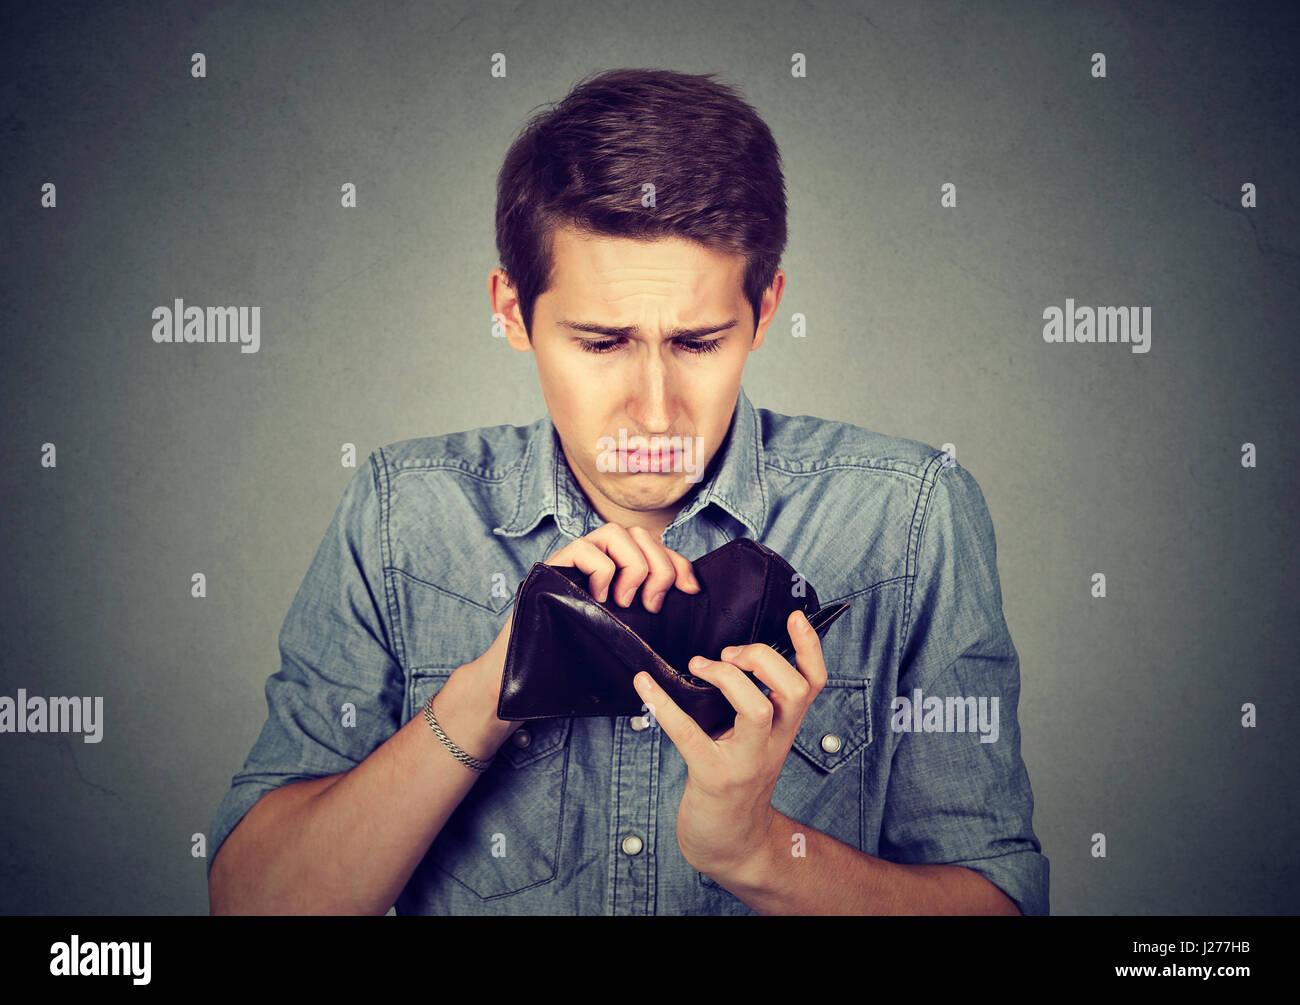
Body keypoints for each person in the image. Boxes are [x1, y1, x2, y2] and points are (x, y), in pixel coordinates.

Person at [206, 67, 1049, 916]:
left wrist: (760, 854)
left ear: (765, 310)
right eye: (603, 343)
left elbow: (998, 902)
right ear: (510, 310)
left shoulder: (908, 518)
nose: (654, 411)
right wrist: (488, 689)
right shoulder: (401, 516)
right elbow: (257, 907)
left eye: (698, 342)